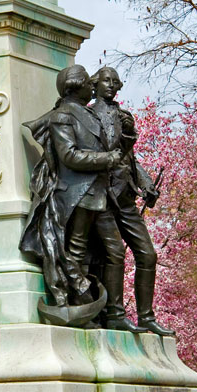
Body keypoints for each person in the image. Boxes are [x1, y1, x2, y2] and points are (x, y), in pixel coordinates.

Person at [20, 65, 141, 331]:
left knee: (114, 251)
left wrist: (127, 139)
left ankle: (114, 314)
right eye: (89, 82)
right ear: (77, 87)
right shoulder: (62, 116)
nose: (93, 86)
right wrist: (106, 159)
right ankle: (81, 303)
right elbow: (69, 156)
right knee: (76, 249)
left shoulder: (86, 113)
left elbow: (111, 147)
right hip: (78, 193)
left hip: (98, 193)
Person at [89, 67, 175, 337]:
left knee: (147, 254)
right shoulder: (89, 116)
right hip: (103, 196)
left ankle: (146, 316)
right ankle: (115, 314)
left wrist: (147, 185)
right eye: (107, 82)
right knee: (114, 254)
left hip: (125, 196)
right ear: (95, 84)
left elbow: (131, 159)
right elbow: (99, 154)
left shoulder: (124, 117)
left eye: (116, 83)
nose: (113, 87)